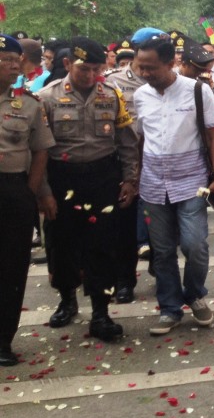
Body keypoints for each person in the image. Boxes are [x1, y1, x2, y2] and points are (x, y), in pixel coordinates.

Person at [36, 37, 141, 341]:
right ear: (68, 64)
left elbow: (127, 142)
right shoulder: (47, 97)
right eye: (84, 68)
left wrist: (129, 180)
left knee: (102, 244)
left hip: (102, 177)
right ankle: (67, 299)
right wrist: (43, 191)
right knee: (61, 243)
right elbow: (38, 150)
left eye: (96, 69)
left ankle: (100, 311)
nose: (90, 75)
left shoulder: (111, 95)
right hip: (62, 178)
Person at [133, 33, 214, 335]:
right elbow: (140, 139)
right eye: (140, 67)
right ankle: (170, 307)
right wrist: (134, 177)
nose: (145, 74)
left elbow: (213, 139)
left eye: (151, 68)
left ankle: (195, 294)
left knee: (195, 245)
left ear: (171, 61)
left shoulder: (198, 91)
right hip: (153, 184)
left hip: (192, 181)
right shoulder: (140, 96)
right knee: (162, 251)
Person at [0, 35, 55, 366]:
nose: (10, 65)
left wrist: (30, 192)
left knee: (11, 267)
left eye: (14, 60)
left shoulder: (29, 104)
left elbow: (40, 151)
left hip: (13, 190)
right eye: (3, 59)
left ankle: (3, 340)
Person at [105, 37, 148, 303]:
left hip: (157, 160)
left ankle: (157, 260)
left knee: (157, 224)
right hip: (123, 160)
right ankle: (122, 281)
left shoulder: (169, 81)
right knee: (121, 226)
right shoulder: (113, 82)